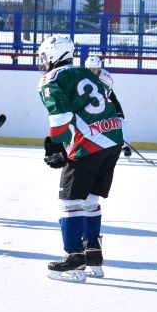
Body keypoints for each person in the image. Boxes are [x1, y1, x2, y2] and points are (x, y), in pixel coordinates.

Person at [38, 35, 124, 282]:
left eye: (44, 57)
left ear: (53, 56)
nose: (42, 62)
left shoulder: (49, 79)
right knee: (90, 199)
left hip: (90, 143)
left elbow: (60, 115)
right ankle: (93, 254)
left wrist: (54, 144)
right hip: (113, 138)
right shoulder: (86, 72)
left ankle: (75, 259)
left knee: (69, 202)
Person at [86, 55, 132, 158]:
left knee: (120, 119)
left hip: (107, 99)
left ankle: (126, 145)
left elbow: (105, 97)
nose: (92, 71)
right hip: (93, 101)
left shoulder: (106, 78)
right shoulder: (82, 77)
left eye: (95, 69)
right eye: (90, 69)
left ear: (99, 68)